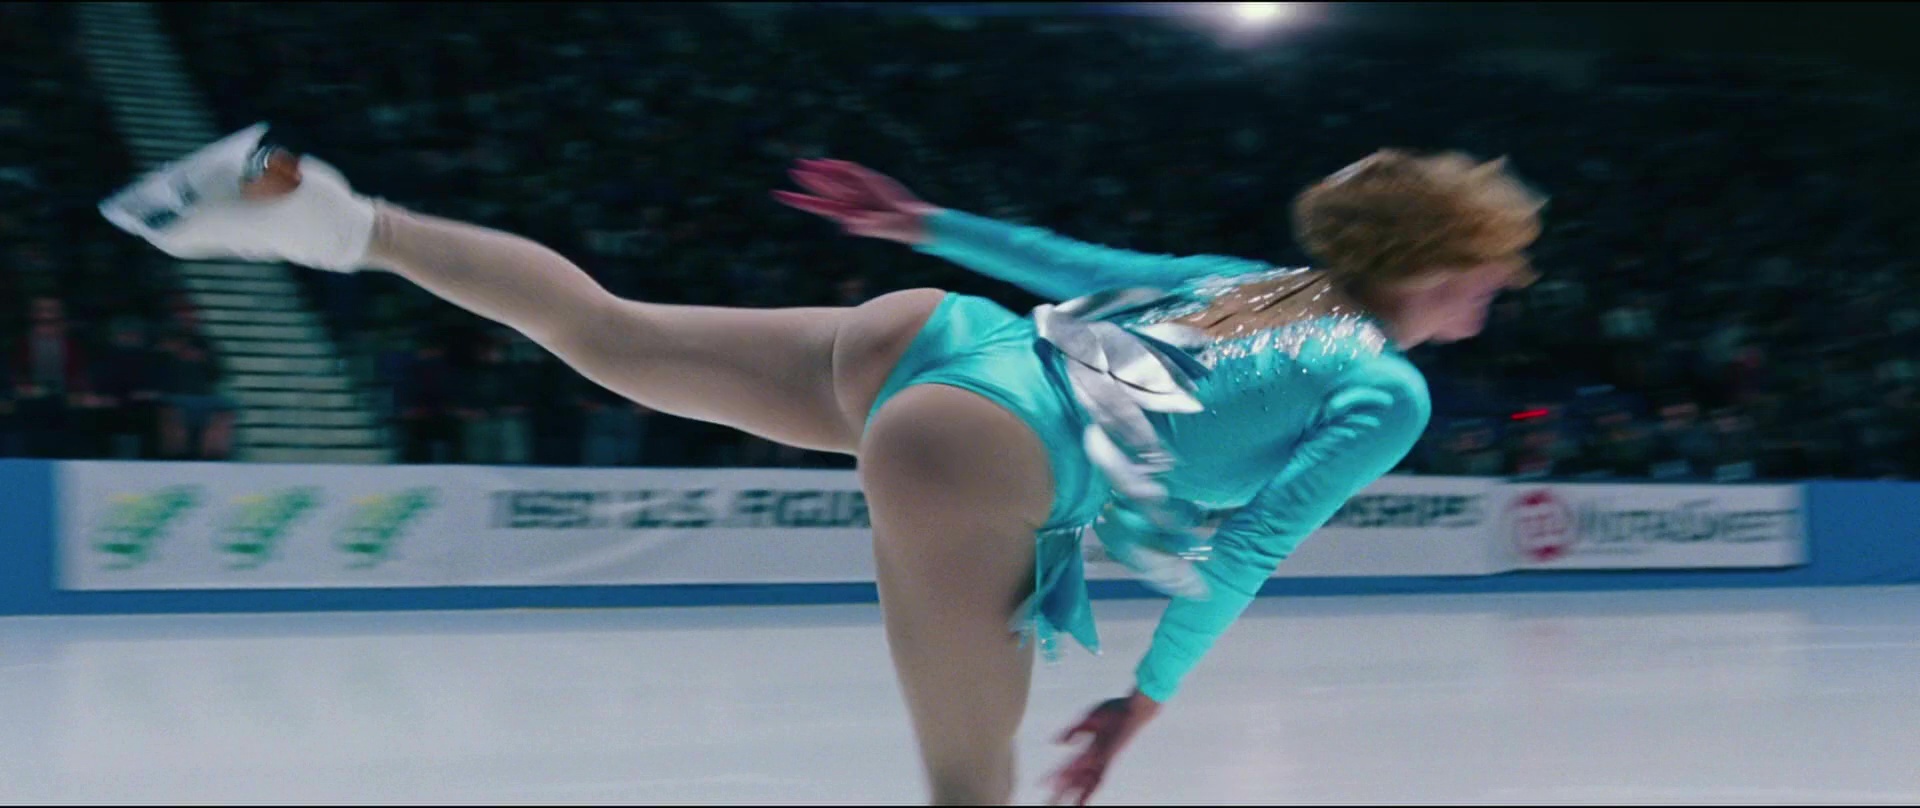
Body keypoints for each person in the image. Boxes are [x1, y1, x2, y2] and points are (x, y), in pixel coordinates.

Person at [100, 124, 1543, 805]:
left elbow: (1073, 264)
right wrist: (1141, 707)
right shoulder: (1384, 388)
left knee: (604, 330)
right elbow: (1244, 551)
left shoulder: (1260, 288)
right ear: (1435, 265)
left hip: (941, 336)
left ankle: (326, 213)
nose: (1498, 296)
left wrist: (921, 223)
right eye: (1491, 273)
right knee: (973, 786)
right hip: (987, 451)